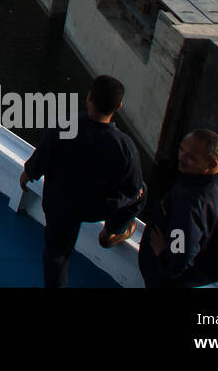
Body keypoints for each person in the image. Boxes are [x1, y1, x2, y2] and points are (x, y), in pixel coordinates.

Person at [20, 75, 145, 288]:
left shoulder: (64, 127)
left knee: (57, 253)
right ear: (118, 107)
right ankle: (112, 231)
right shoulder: (125, 146)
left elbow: (41, 159)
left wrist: (27, 175)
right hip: (98, 208)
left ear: (89, 98)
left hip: (60, 204)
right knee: (142, 191)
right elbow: (133, 188)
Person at [138, 129, 218, 288]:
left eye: (191, 157)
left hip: (170, 280)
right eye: (181, 150)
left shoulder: (189, 201)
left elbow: (181, 248)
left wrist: (164, 254)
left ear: (212, 163)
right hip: (207, 272)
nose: (182, 158)